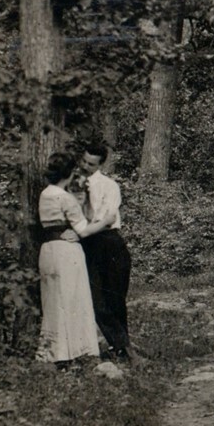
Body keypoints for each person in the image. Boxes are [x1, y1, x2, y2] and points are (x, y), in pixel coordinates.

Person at [37, 152, 101, 366]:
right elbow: (83, 228)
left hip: (48, 249)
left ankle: (53, 351)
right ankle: (74, 351)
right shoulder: (65, 198)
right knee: (72, 299)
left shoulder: (45, 194)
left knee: (53, 300)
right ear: (69, 173)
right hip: (66, 252)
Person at [77, 139, 132, 362]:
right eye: (84, 161)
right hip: (87, 243)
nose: (85, 166)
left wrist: (86, 228)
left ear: (100, 165)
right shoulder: (73, 184)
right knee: (95, 298)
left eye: (91, 164)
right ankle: (120, 344)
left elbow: (107, 218)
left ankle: (123, 348)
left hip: (109, 242)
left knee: (115, 297)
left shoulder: (109, 186)